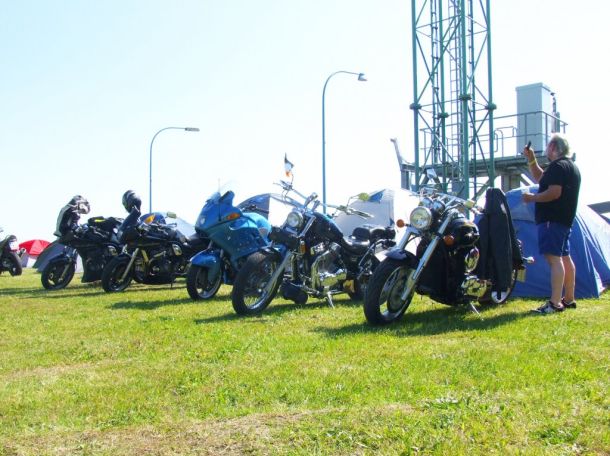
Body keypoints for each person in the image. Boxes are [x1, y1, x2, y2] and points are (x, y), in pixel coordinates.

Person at [522, 134, 581, 314]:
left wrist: (532, 198)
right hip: (564, 220)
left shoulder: (557, 166)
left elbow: (554, 192)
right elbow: (542, 179)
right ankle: (569, 299)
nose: (547, 149)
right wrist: (531, 159)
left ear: (554, 147)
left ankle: (555, 303)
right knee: (565, 257)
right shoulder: (571, 167)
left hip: (551, 220)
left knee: (554, 259)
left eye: (548, 146)